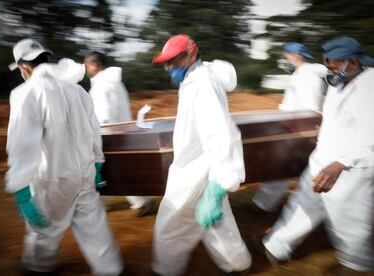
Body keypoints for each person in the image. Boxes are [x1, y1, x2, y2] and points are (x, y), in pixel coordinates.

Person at [253, 36, 374, 274]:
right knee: (303, 203)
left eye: (334, 64)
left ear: (352, 62)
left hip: (351, 166)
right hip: (323, 158)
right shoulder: (340, 83)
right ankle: (276, 247)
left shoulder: (370, 87)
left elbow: (370, 133)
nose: (330, 68)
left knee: (348, 217)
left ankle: (356, 265)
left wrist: (340, 163)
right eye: (327, 63)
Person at [6, 38, 123, 275]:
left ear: (24, 67)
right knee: (94, 227)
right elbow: (93, 131)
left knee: (44, 230)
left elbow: (21, 145)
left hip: (54, 180)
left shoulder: (25, 93)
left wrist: (21, 190)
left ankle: (37, 266)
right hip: (85, 174)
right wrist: (98, 164)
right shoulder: (78, 90)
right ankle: (110, 269)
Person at [151, 34, 252, 275]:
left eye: (175, 60)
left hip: (197, 167)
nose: (170, 67)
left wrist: (219, 184)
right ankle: (238, 264)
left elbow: (222, 134)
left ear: (192, 54)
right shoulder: (194, 79)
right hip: (200, 164)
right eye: (168, 62)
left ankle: (165, 270)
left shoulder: (202, 84)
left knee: (171, 223)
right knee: (216, 219)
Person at [252, 42, 328, 213]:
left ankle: (263, 205)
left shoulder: (307, 76)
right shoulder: (302, 74)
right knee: (287, 167)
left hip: (300, 129)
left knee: (286, 166)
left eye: (285, 56)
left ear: (295, 56)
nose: (284, 60)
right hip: (295, 126)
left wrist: (301, 131)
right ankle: (262, 204)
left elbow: (311, 107)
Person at [84, 51, 154, 217]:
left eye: (87, 65)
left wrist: (99, 134)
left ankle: (141, 202)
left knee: (113, 171)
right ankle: (105, 202)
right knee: (113, 171)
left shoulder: (102, 85)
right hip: (120, 131)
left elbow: (104, 114)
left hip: (107, 134)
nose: (86, 69)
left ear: (93, 66)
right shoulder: (114, 82)